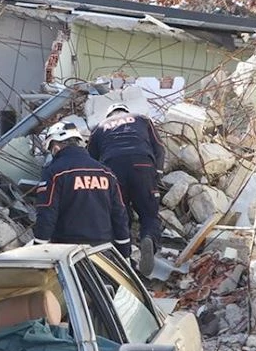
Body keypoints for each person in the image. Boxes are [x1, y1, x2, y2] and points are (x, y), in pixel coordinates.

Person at [33, 121, 132, 258]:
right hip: (103, 250)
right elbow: (119, 214)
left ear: (55, 146)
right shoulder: (106, 173)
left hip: (69, 252)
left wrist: (38, 248)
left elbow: (47, 213)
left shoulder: (54, 172)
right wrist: (125, 253)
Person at [87, 103, 165, 277]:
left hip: (113, 168)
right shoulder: (142, 119)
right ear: (126, 111)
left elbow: (90, 160)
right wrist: (157, 173)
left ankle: (124, 258)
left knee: (120, 214)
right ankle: (148, 239)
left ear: (109, 114)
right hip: (142, 164)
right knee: (149, 213)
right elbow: (159, 147)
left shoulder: (99, 128)